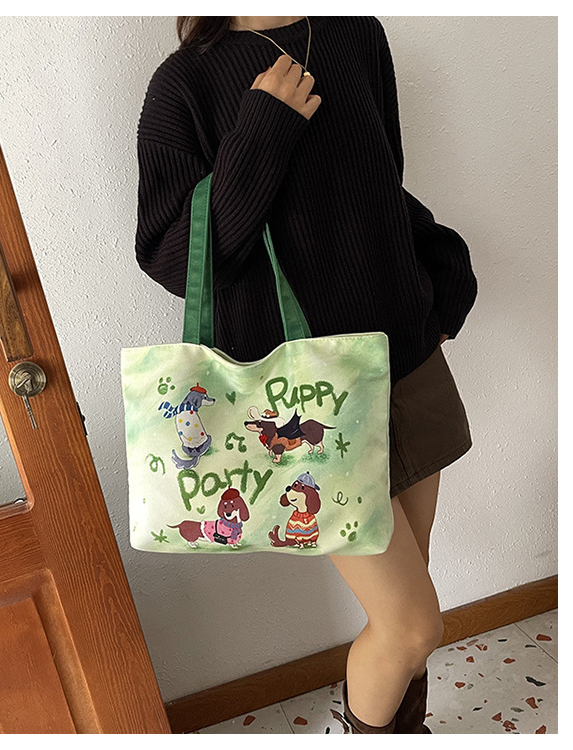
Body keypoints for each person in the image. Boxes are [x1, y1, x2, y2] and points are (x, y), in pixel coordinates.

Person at [134, 16, 478, 734]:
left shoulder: (356, 35)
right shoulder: (184, 85)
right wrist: (262, 129)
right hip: (303, 407)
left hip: (406, 362)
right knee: (412, 624)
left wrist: (443, 277)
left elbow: (381, 187)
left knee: (408, 614)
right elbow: (176, 258)